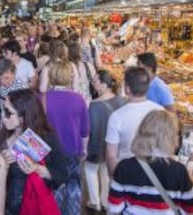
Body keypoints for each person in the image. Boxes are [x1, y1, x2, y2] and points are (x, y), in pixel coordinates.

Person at [108, 110, 193, 215]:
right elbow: (191, 210)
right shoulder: (179, 171)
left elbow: (114, 207)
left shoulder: (124, 167)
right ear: (172, 137)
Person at [0, 89, 71, 215]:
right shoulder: (2, 135)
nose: (3, 117)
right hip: (5, 205)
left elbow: (62, 174)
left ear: (23, 115)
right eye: (3, 109)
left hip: (33, 205)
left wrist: (36, 168)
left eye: (8, 112)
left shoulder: (46, 138)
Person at [43, 62, 89, 215]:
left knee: (53, 188)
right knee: (73, 188)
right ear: (69, 77)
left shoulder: (42, 99)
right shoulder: (78, 99)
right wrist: (84, 150)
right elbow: (84, 130)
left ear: (50, 77)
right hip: (72, 149)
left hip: (49, 152)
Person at [105, 67, 163, 176]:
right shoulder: (160, 111)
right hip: (156, 174)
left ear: (127, 88)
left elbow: (111, 155)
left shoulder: (117, 116)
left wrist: (115, 178)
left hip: (127, 174)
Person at [85, 70, 126, 211]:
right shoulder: (121, 100)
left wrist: (85, 147)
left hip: (97, 144)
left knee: (90, 170)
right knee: (106, 171)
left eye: (95, 81)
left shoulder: (94, 104)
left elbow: (91, 129)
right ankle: (105, 201)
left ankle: (94, 201)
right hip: (113, 145)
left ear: (103, 85)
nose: (93, 83)